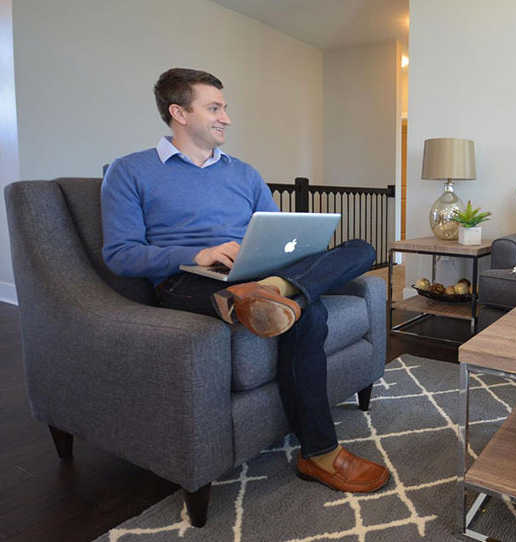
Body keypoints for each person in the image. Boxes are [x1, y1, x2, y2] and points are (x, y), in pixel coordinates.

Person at [101, 68, 389, 493]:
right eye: (214, 108)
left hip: (257, 273)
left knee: (362, 248)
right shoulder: (129, 172)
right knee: (310, 314)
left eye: (225, 108)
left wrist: (284, 255)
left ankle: (276, 290)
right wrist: (198, 254)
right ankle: (320, 453)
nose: (226, 118)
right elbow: (119, 255)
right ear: (179, 112)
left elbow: (280, 230)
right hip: (189, 280)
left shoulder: (245, 173)